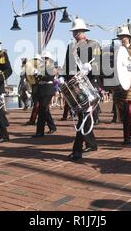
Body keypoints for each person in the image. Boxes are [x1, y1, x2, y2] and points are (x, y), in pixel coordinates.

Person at [62, 18, 102, 161]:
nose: (75, 33)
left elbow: (99, 63)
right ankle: (92, 144)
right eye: (74, 31)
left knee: (84, 116)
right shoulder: (70, 46)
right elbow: (67, 65)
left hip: (89, 83)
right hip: (76, 85)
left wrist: (91, 68)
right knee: (82, 115)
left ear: (84, 31)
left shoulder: (93, 44)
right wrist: (64, 78)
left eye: (78, 31)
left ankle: (77, 150)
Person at [32, 51, 57, 137]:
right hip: (41, 89)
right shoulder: (41, 67)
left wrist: (40, 75)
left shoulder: (52, 68)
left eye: (46, 58)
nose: (44, 60)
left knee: (42, 110)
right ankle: (52, 127)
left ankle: (40, 132)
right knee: (45, 110)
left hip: (48, 90)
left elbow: (50, 77)